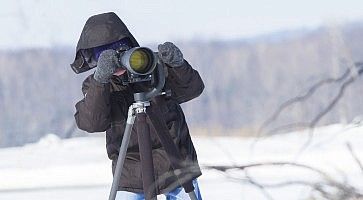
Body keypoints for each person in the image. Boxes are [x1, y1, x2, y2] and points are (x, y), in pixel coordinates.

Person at [70, 12, 204, 200]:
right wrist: (101, 80)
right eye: (104, 54)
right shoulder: (96, 86)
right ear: (95, 59)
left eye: (119, 49)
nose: (116, 58)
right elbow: (92, 123)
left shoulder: (155, 67)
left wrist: (178, 65)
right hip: (132, 175)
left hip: (177, 168)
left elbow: (193, 90)